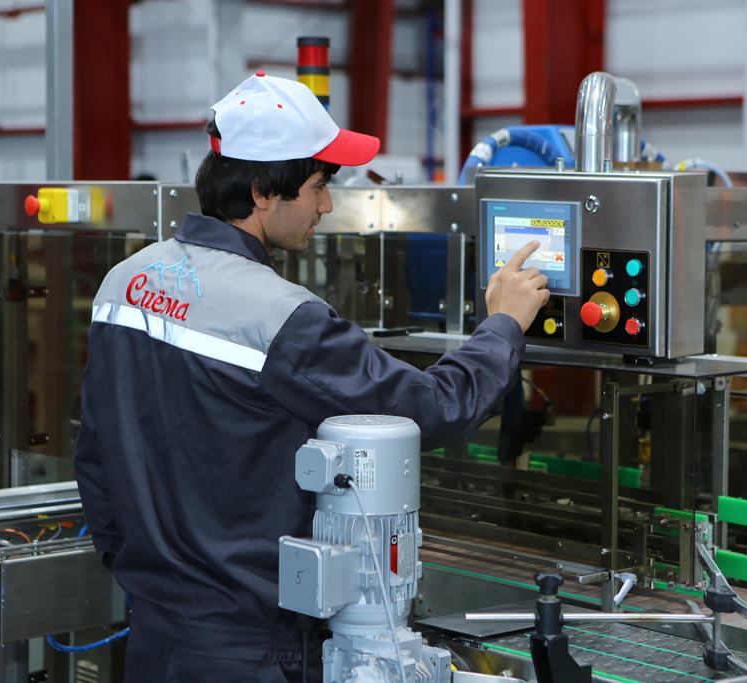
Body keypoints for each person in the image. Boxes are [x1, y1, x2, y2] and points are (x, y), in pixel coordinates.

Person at [74, 72, 549, 682]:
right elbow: (434, 408)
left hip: (156, 637)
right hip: (250, 652)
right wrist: (504, 324)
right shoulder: (280, 318)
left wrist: (147, 578)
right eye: (318, 185)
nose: (325, 206)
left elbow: (94, 458)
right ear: (261, 192)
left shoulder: (124, 284)